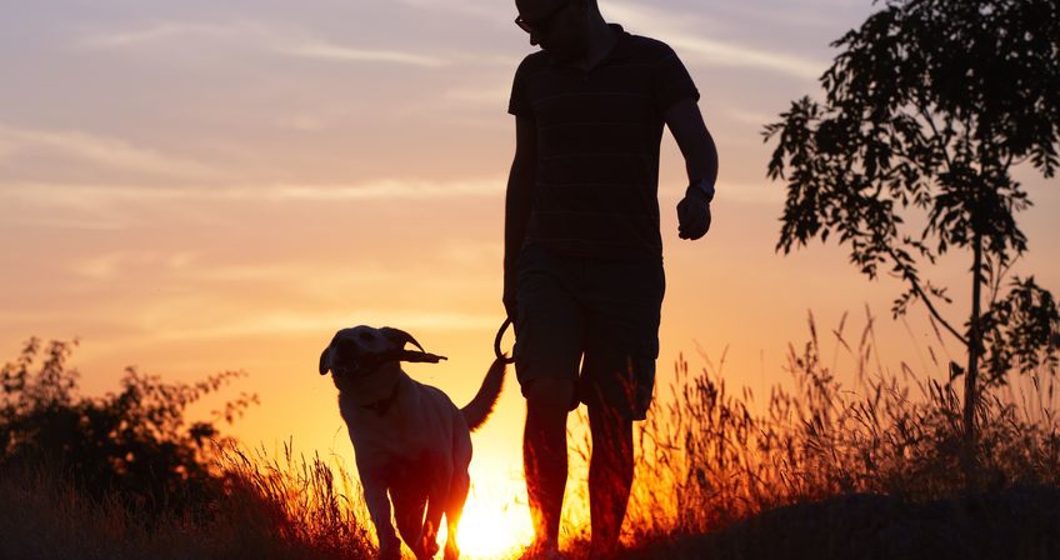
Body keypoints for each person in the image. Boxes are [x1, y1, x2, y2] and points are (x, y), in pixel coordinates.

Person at [503, 0, 719, 558]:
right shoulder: (534, 76)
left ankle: (604, 548)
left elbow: (697, 141)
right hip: (546, 262)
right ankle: (545, 546)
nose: (534, 39)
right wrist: (511, 272)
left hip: (629, 269)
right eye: (526, 26)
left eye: (542, 24)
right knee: (544, 394)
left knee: (612, 412)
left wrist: (700, 193)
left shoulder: (654, 62)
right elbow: (524, 171)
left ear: (578, 5)